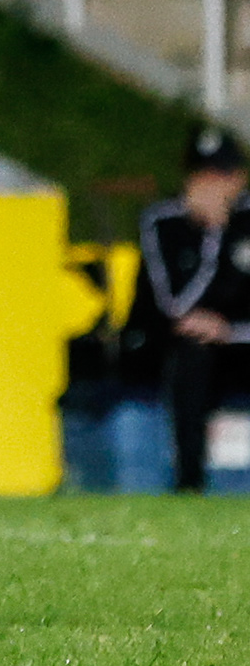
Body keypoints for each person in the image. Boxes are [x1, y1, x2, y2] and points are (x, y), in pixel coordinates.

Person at [136, 122, 250, 493]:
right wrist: (212, 235)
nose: (211, 186)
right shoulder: (163, 221)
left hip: (241, 337)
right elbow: (173, 305)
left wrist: (229, 331)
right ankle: (190, 483)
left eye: (221, 175)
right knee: (191, 356)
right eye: (202, 175)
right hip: (189, 347)